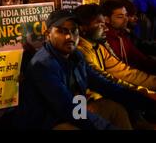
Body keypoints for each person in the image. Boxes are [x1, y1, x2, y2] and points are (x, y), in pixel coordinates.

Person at [15, 9, 155, 130]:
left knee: (114, 108)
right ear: (47, 35)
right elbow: (68, 108)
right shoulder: (43, 65)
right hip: (50, 123)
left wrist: (148, 101)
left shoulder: (76, 55)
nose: (69, 36)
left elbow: (105, 85)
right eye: (62, 31)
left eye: (73, 30)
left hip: (73, 111)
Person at [102, 0, 156, 75]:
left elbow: (139, 57)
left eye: (126, 15)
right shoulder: (106, 41)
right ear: (106, 19)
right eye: (120, 17)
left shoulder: (121, 34)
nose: (126, 19)